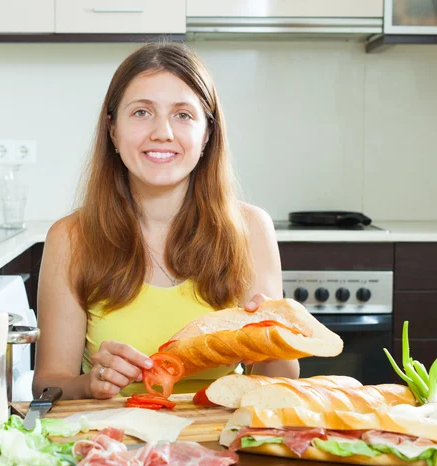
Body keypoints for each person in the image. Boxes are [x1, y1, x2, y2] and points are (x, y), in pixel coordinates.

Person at [33, 42, 299, 400]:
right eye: (141, 112)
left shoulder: (250, 229)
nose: (162, 132)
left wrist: (273, 338)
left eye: (183, 115)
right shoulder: (70, 238)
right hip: (113, 445)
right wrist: (88, 383)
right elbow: (48, 386)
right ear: (112, 130)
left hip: (221, 440)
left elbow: (280, 383)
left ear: (206, 134)